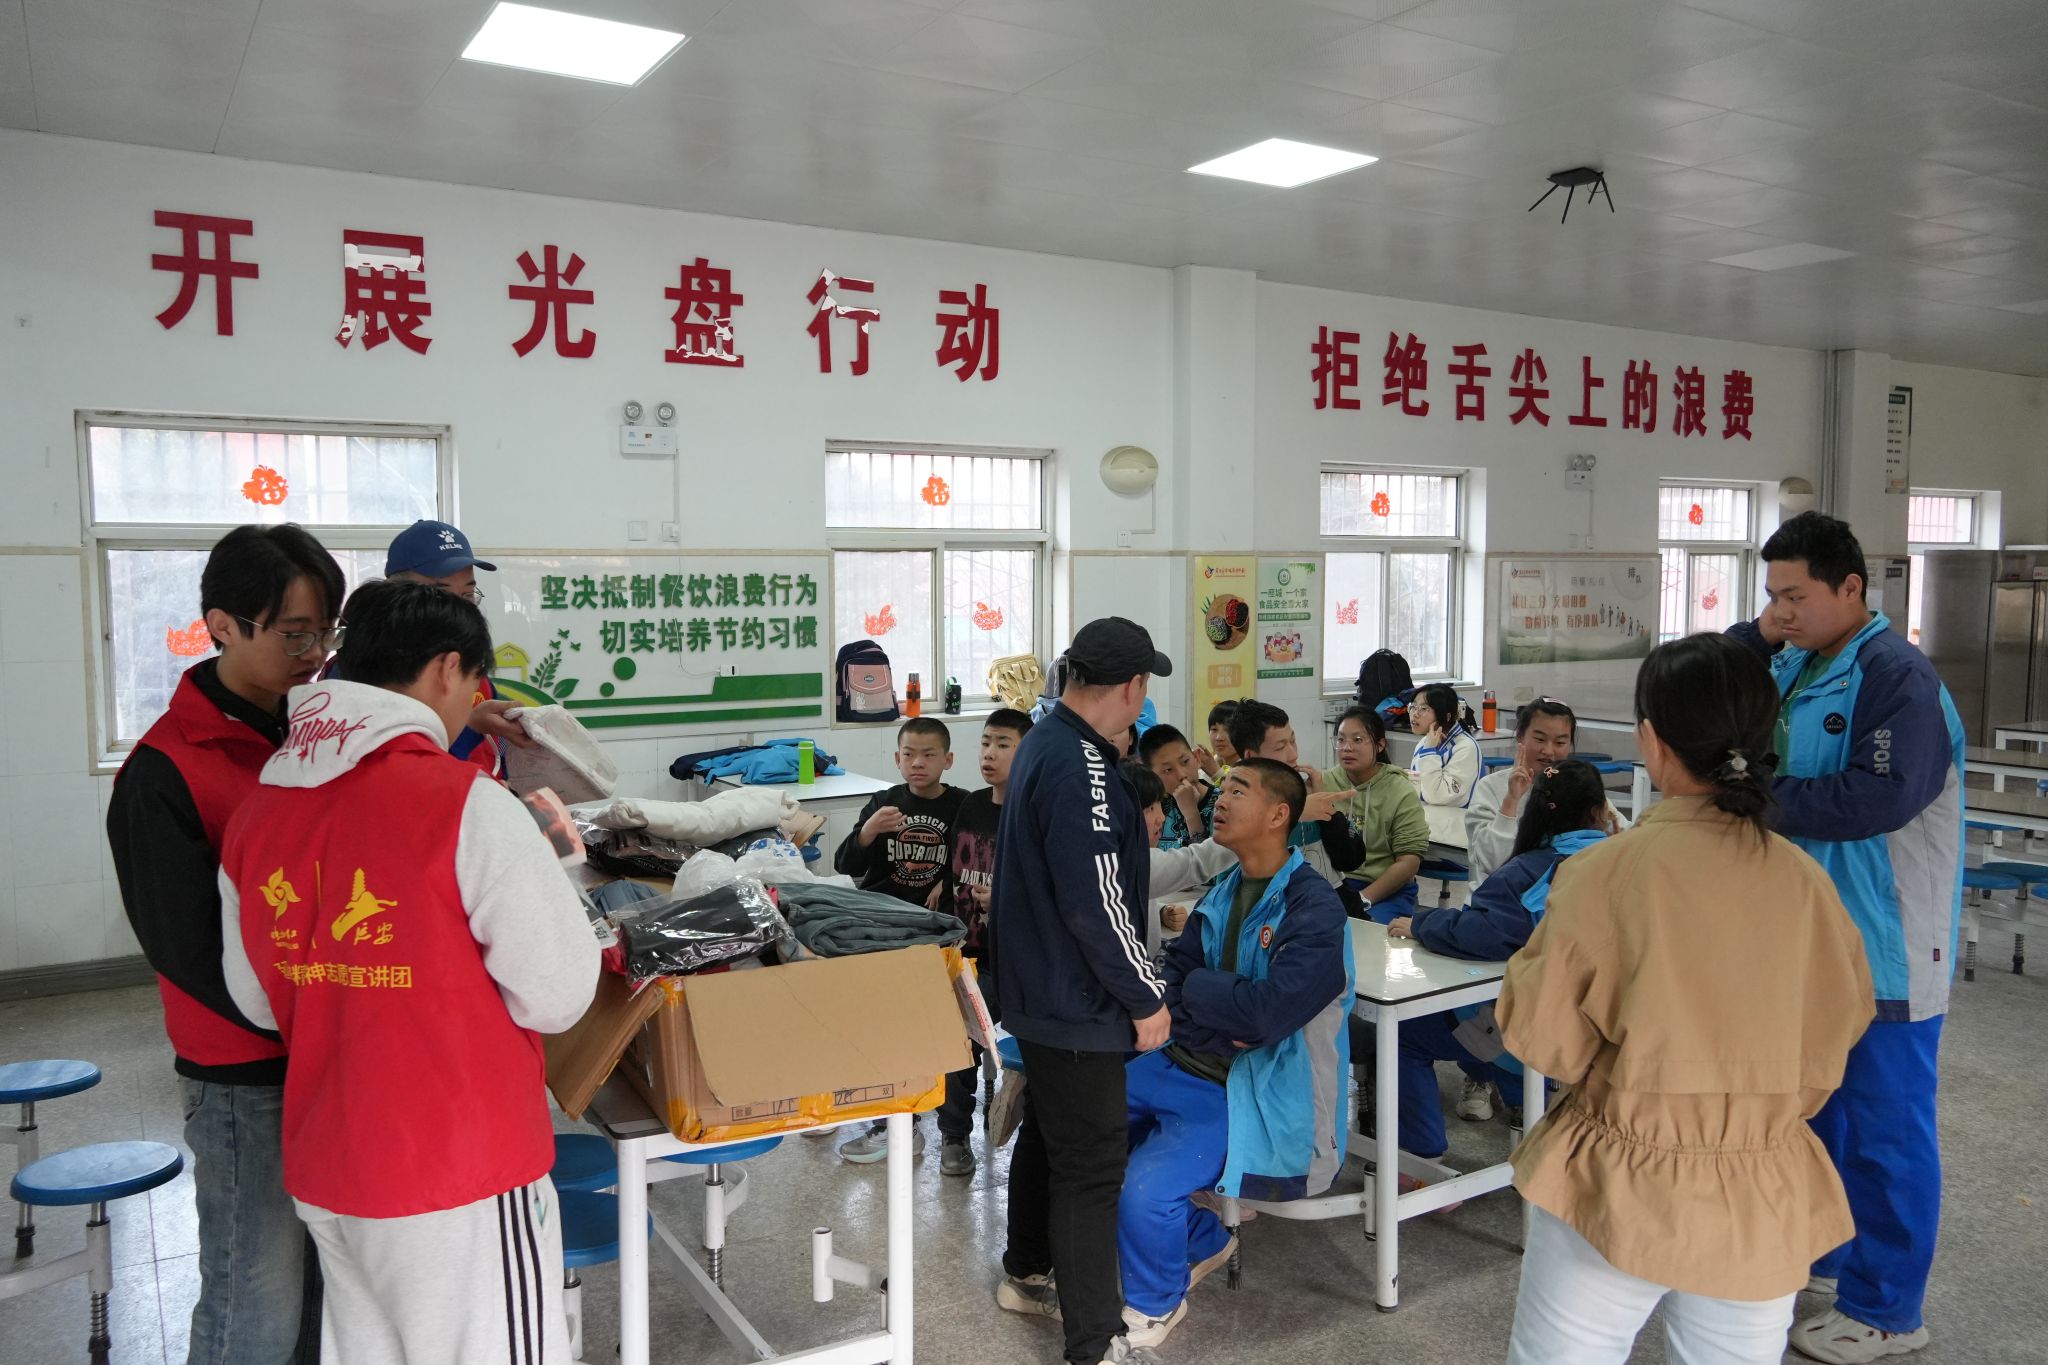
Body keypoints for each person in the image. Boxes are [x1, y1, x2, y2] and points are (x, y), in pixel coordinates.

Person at [218, 578, 600, 1365]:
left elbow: (255, 998)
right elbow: (559, 996)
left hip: (330, 1165)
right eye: (474, 685)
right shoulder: (467, 802)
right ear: (447, 669)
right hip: (458, 1170)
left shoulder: (260, 809)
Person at [1498, 633, 1874, 1365]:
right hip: (1762, 1179)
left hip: (1618, 1173)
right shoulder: (1806, 883)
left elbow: (1545, 1041)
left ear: (1650, 739)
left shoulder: (1607, 872)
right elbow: (1842, 1023)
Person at [1729, 511, 1966, 1364]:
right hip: (1812, 935)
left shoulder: (1896, 675)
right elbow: (1716, 676)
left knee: (1884, 1126)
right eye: (1772, 595)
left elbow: (1880, 796)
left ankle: (1890, 1309)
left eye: (1796, 594)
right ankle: (1828, 1259)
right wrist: (1761, 632)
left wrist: (1758, 799)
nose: (1781, 610)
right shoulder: (1798, 659)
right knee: (1819, 1111)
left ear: (1852, 588)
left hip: (1888, 939)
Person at [106, 523, 341, 1365]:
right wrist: (310, 1012)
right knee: (254, 1302)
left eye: (326, 632)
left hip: (329, 1053)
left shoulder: (319, 740)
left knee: (324, 1297)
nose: (316, 655)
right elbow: (187, 950)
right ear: (222, 625)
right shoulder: (166, 770)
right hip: (245, 1075)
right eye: (295, 633)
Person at [1117, 758, 1353, 1349]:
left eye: (1239, 791)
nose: (1219, 800)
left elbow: (1265, 1017)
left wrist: (1211, 998)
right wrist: (1220, 1004)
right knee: (1075, 1130)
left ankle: (1156, 1303)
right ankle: (1202, 1239)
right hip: (1184, 1059)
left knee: (1145, 1188)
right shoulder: (1222, 892)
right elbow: (1176, 981)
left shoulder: (1314, 908)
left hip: (1250, 1086)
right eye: (1222, 789)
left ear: (1278, 815)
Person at [987, 617, 1172, 1365]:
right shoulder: (1084, 764)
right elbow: (1096, 900)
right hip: (1077, 1000)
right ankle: (1096, 1343)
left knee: (1050, 1134)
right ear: (1132, 686)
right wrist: (1145, 995)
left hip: (1040, 991)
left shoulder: (1044, 741)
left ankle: (1026, 1267)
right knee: (1092, 1169)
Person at [1385, 761, 1612, 1146]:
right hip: (1605, 1025)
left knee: (1406, 1032)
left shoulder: (1529, 871)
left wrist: (1423, 924)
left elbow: (1481, 933)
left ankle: (1421, 1154)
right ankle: (1529, 1110)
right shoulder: (1625, 862)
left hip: (1541, 1026)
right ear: (1602, 812)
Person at [834, 715, 966, 1164]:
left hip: (933, 934)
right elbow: (846, 864)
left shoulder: (962, 806)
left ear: (948, 760)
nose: (918, 763)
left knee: (941, 1031)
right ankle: (890, 1121)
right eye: (909, 754)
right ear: (896, 758)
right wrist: (869, 830)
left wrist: (947, 882)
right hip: (882, 928)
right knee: (880, 1026)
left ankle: (951, 1132)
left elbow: (976, 860)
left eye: (929, 754)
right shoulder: (884, 802)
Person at [933, 707, 1033, 1179]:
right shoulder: (970, 805)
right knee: (957, 1045)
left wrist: (1009, 899)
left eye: (1003, 745)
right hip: (969, 954)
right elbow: (951, 868)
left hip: (1018, 960)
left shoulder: (1034, 813)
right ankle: (954, 1135)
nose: (989, 754)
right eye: (986, 743)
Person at [373, 519, 533, 777]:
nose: (459, 611)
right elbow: (396, 776)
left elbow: (494, 758)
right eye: (441, 595)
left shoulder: (474, 673)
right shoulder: (365, 676)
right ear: (395, 593)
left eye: (468, 596)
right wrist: (470, 728)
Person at [1464, 697, 1630, 882]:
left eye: (1560, 743)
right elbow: (1493, 863)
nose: (1549, 751)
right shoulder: (1490, 788)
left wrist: (1613, 845)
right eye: (1540, 739)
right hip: (1501, 896)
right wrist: (1511, 800)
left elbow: (1628, 836)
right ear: (1520, 736)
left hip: (1559, 895)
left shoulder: (1579, 788)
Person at [1227, 699, 1367, 878]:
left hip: (1327, 891)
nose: (1294, 754)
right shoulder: (1231, 805)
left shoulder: (1303, 791)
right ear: (1251, 756)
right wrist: (1296, 813)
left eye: (1293, 741)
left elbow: (1351, 860)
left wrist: (1326, 809)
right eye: (1280, 747)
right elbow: (1232, 880)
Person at [1319, 706, 1428, 923]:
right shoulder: (1324, 784)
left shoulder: (1399, 790)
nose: (1347, 747)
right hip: (1334, 884)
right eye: (1340, 740)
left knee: (1365, 933)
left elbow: (1409, 862)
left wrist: (1361, 899)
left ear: (1380, 745)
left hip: (1386, 889)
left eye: (1358, 740)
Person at [1406, 683, 1482, 844]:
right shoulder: (1425, 742)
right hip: (1426, 824)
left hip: (1454, 834)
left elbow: (1436, 796)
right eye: (1413, 707)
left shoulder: (1465, 747)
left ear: (1446, 717)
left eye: (1424, 709)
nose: (1415, 714)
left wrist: (1430, 751)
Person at [1138, 723, 1218, 850]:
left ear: (1197, 758)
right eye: (1168, 770)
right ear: (1152, 775)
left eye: (1185, 761)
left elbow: (1210, 860)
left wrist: (1191, 813)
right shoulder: (1154, 808)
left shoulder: (1222, 802)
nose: (1182, 775)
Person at [1202, 700, 1240, 781]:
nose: (1219, 737)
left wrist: (1216, 773)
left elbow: (1236, 787)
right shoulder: (1207, 768)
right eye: (1214, 729)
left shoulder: (1252, 769)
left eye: (1228, 730)